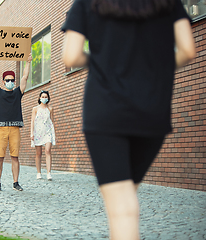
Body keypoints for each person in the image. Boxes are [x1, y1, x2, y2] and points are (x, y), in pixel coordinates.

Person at [61, 0, 195, 239]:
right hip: (152, 111)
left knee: (122, 209)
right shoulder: (167, 3)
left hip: (105, 111)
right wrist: (153, 70)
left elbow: (70, 56)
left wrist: (101, 61)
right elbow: (188, 50)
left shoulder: (87, 3)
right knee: (126, 193)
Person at [0, 50, 32, 191]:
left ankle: (15, 182)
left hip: (15, 129)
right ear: (3, 81)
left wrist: (28, 62)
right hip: (1, 130)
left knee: (15, 157)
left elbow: (25, 77)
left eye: (12, 80)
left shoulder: (18, 92)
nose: (9, 82)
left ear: (14, 81)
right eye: (7, 80)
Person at [31, 90, 56, 180]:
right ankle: (39, 172)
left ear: (48, 98)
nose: (44, 98)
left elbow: (52, 121)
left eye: (46, 97)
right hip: (38, 132)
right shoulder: (35, 109)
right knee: (38, 153)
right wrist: (32, 133)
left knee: (48, 150)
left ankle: (49, 173)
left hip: (48, 132)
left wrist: (53, 133)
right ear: (39, 98)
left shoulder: (50, 109)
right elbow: (32, 121)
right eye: (43, 97)